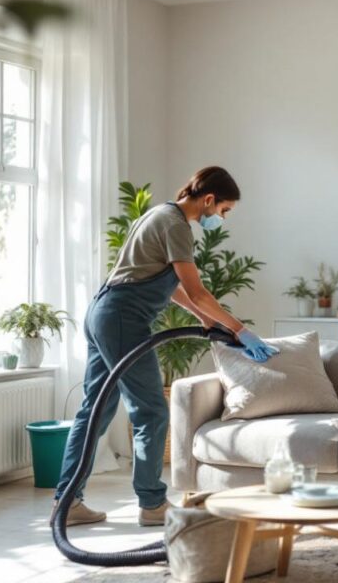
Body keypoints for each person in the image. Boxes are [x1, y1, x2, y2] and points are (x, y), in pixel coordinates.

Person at [51, 166, 278, 528]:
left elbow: (171, 287)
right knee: (152, 412)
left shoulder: (157, 213)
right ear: (208, 200)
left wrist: (205, 318)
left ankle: (68, 500)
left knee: (94, 411)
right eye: (224, 210)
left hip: (103, 313)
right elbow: (199, 290)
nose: (222, 218)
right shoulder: (176, 226)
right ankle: (152, 504)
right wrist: (240, 329)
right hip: (123, 318)